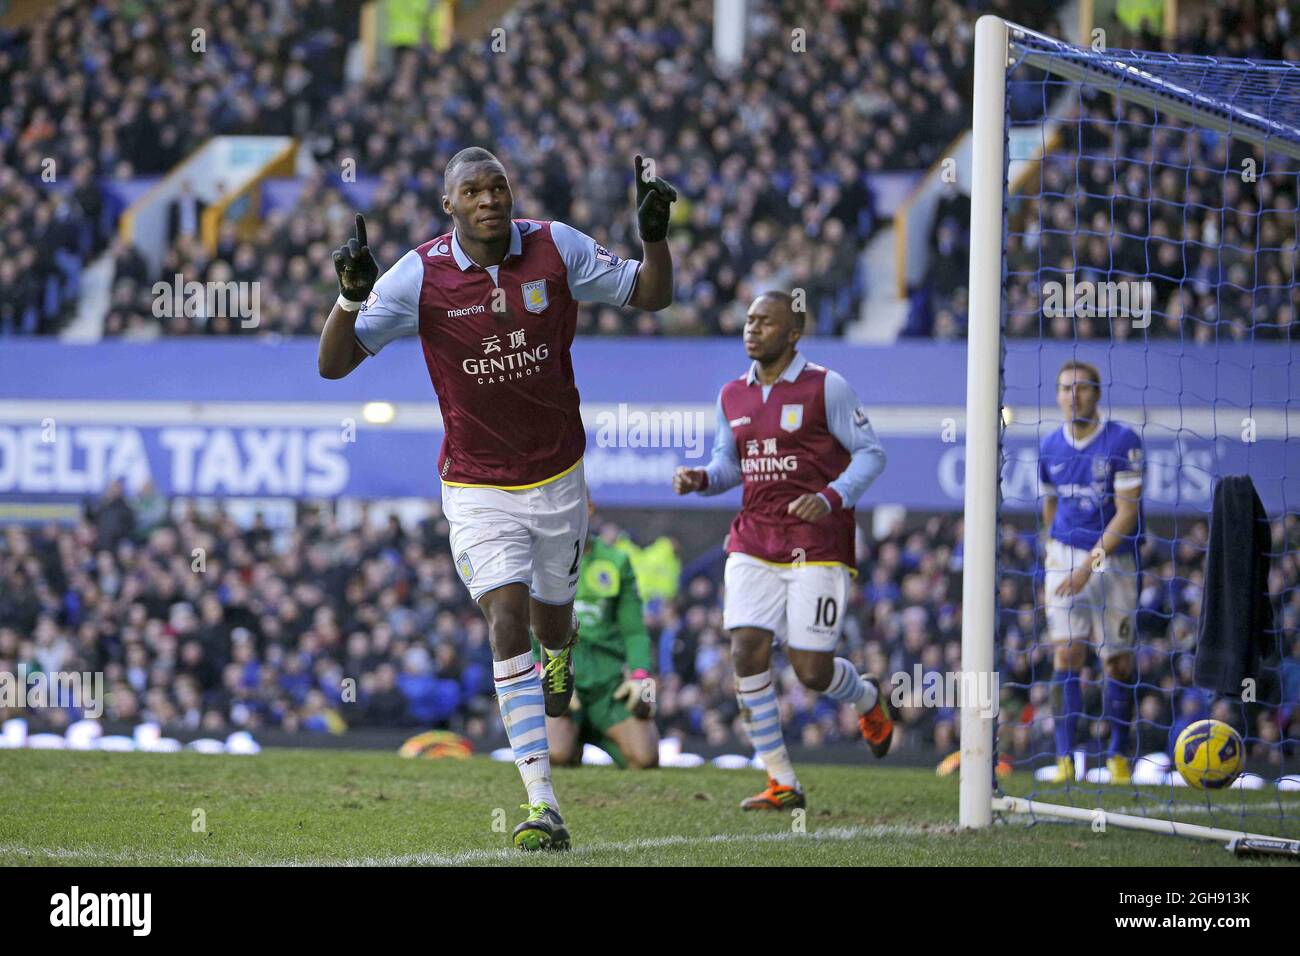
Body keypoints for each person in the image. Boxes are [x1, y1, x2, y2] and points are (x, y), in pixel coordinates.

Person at [319, 147, 676, 849]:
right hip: (477, 486)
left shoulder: (556, 247)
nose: (490, 199)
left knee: (550, 627)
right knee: (504, 614)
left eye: (499, 186)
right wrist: (351, 297)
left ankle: (561, 650)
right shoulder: (418, 275)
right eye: (473, 191)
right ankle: (543, 803)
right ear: (448, 205)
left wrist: (655, 237)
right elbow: (332, 365)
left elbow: (652, 295)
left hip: (559, 479)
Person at [673, 291, 890, 811]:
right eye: (749, 320)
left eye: (765, 322)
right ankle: (782, 780)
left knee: (811, 670)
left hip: (817, 543)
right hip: (753, 538)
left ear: (793, 333)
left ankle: (866, 698)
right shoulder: (731, 395)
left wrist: (830, 497)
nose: (752, 329)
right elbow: (730, 465)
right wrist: (702, 478)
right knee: (745, 648)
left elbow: (871, 454)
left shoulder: (826, 387)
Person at [1038, 360, 1144, 784]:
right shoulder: (1049, 445)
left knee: (1116, 662)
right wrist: (1054, 549)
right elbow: (1049, 504)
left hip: (1111, 562)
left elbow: (1127, 514)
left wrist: (1087, 566)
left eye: (1081, 388)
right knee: (1066, 655)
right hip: (1065, 558)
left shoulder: (1122, 440)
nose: (1072, 396)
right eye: (1065, 388)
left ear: (1096, 394)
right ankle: (1066, 758)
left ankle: (1118, 756)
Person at [533, 498, 660, 770]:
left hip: (609, 686)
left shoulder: (617, 561)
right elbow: (530, 626)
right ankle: (573, 739)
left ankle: (597, 730)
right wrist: (540, 675)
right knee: (555, 755)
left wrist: (640, 676)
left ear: (589, 509)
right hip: (561, 679)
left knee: (646, 758)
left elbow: (635, 630)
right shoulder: (540, 561)